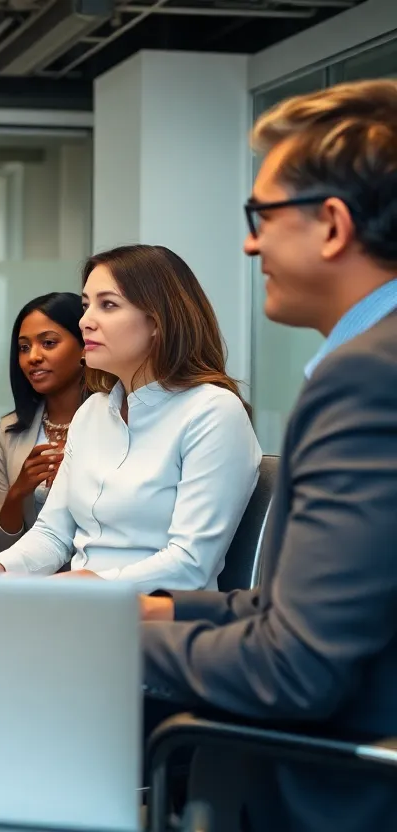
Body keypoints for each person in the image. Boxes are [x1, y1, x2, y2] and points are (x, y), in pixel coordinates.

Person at [136, 79, 397, 832]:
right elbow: (316, 607)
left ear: (333, 225)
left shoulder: (368, 380)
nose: (251, 242)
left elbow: (297, 669)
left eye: (262, 216)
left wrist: (99, 642)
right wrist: (163, 610)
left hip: (337, 794)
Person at [0, 246, 261, 593]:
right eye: (86, 306)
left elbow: (189, 564)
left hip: (162, 622)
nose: (86, 321)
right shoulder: (92, 412)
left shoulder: (213, 412)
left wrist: (87, 586)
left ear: (158, 322)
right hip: (84, 610)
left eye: (108, 305)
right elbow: (52, 535)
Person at [0, 292, 86, 555]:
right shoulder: (10, 431)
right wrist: (19, 492)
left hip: (95, 579)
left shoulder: (115, 419)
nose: (32, 357)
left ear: (85, 346)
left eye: (48, 343)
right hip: (24, 580)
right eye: (24, 347)